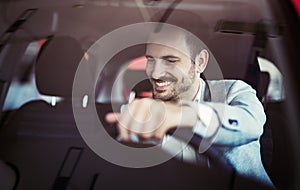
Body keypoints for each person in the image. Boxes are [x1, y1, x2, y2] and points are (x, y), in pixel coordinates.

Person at [105, 25, 274, 187]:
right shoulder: (144, 112)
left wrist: (179, 115)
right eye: (150, 60)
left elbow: (251, 124)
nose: (155, 73)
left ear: (200, 62)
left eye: (170, 61)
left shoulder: (233, 91)